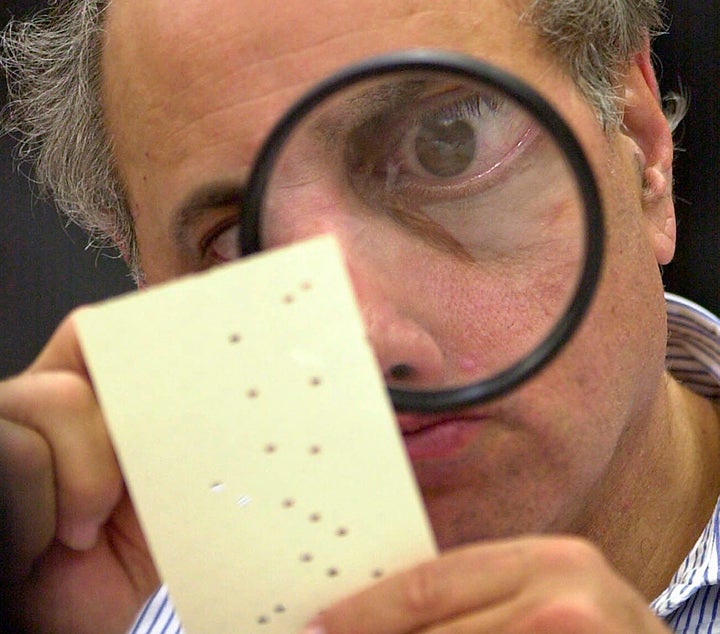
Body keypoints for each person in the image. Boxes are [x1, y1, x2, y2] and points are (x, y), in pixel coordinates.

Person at [1, 0, 719, 632]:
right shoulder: (98, 606)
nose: (361, 344)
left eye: (447, 146)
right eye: (238, 243)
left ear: (640, 139)